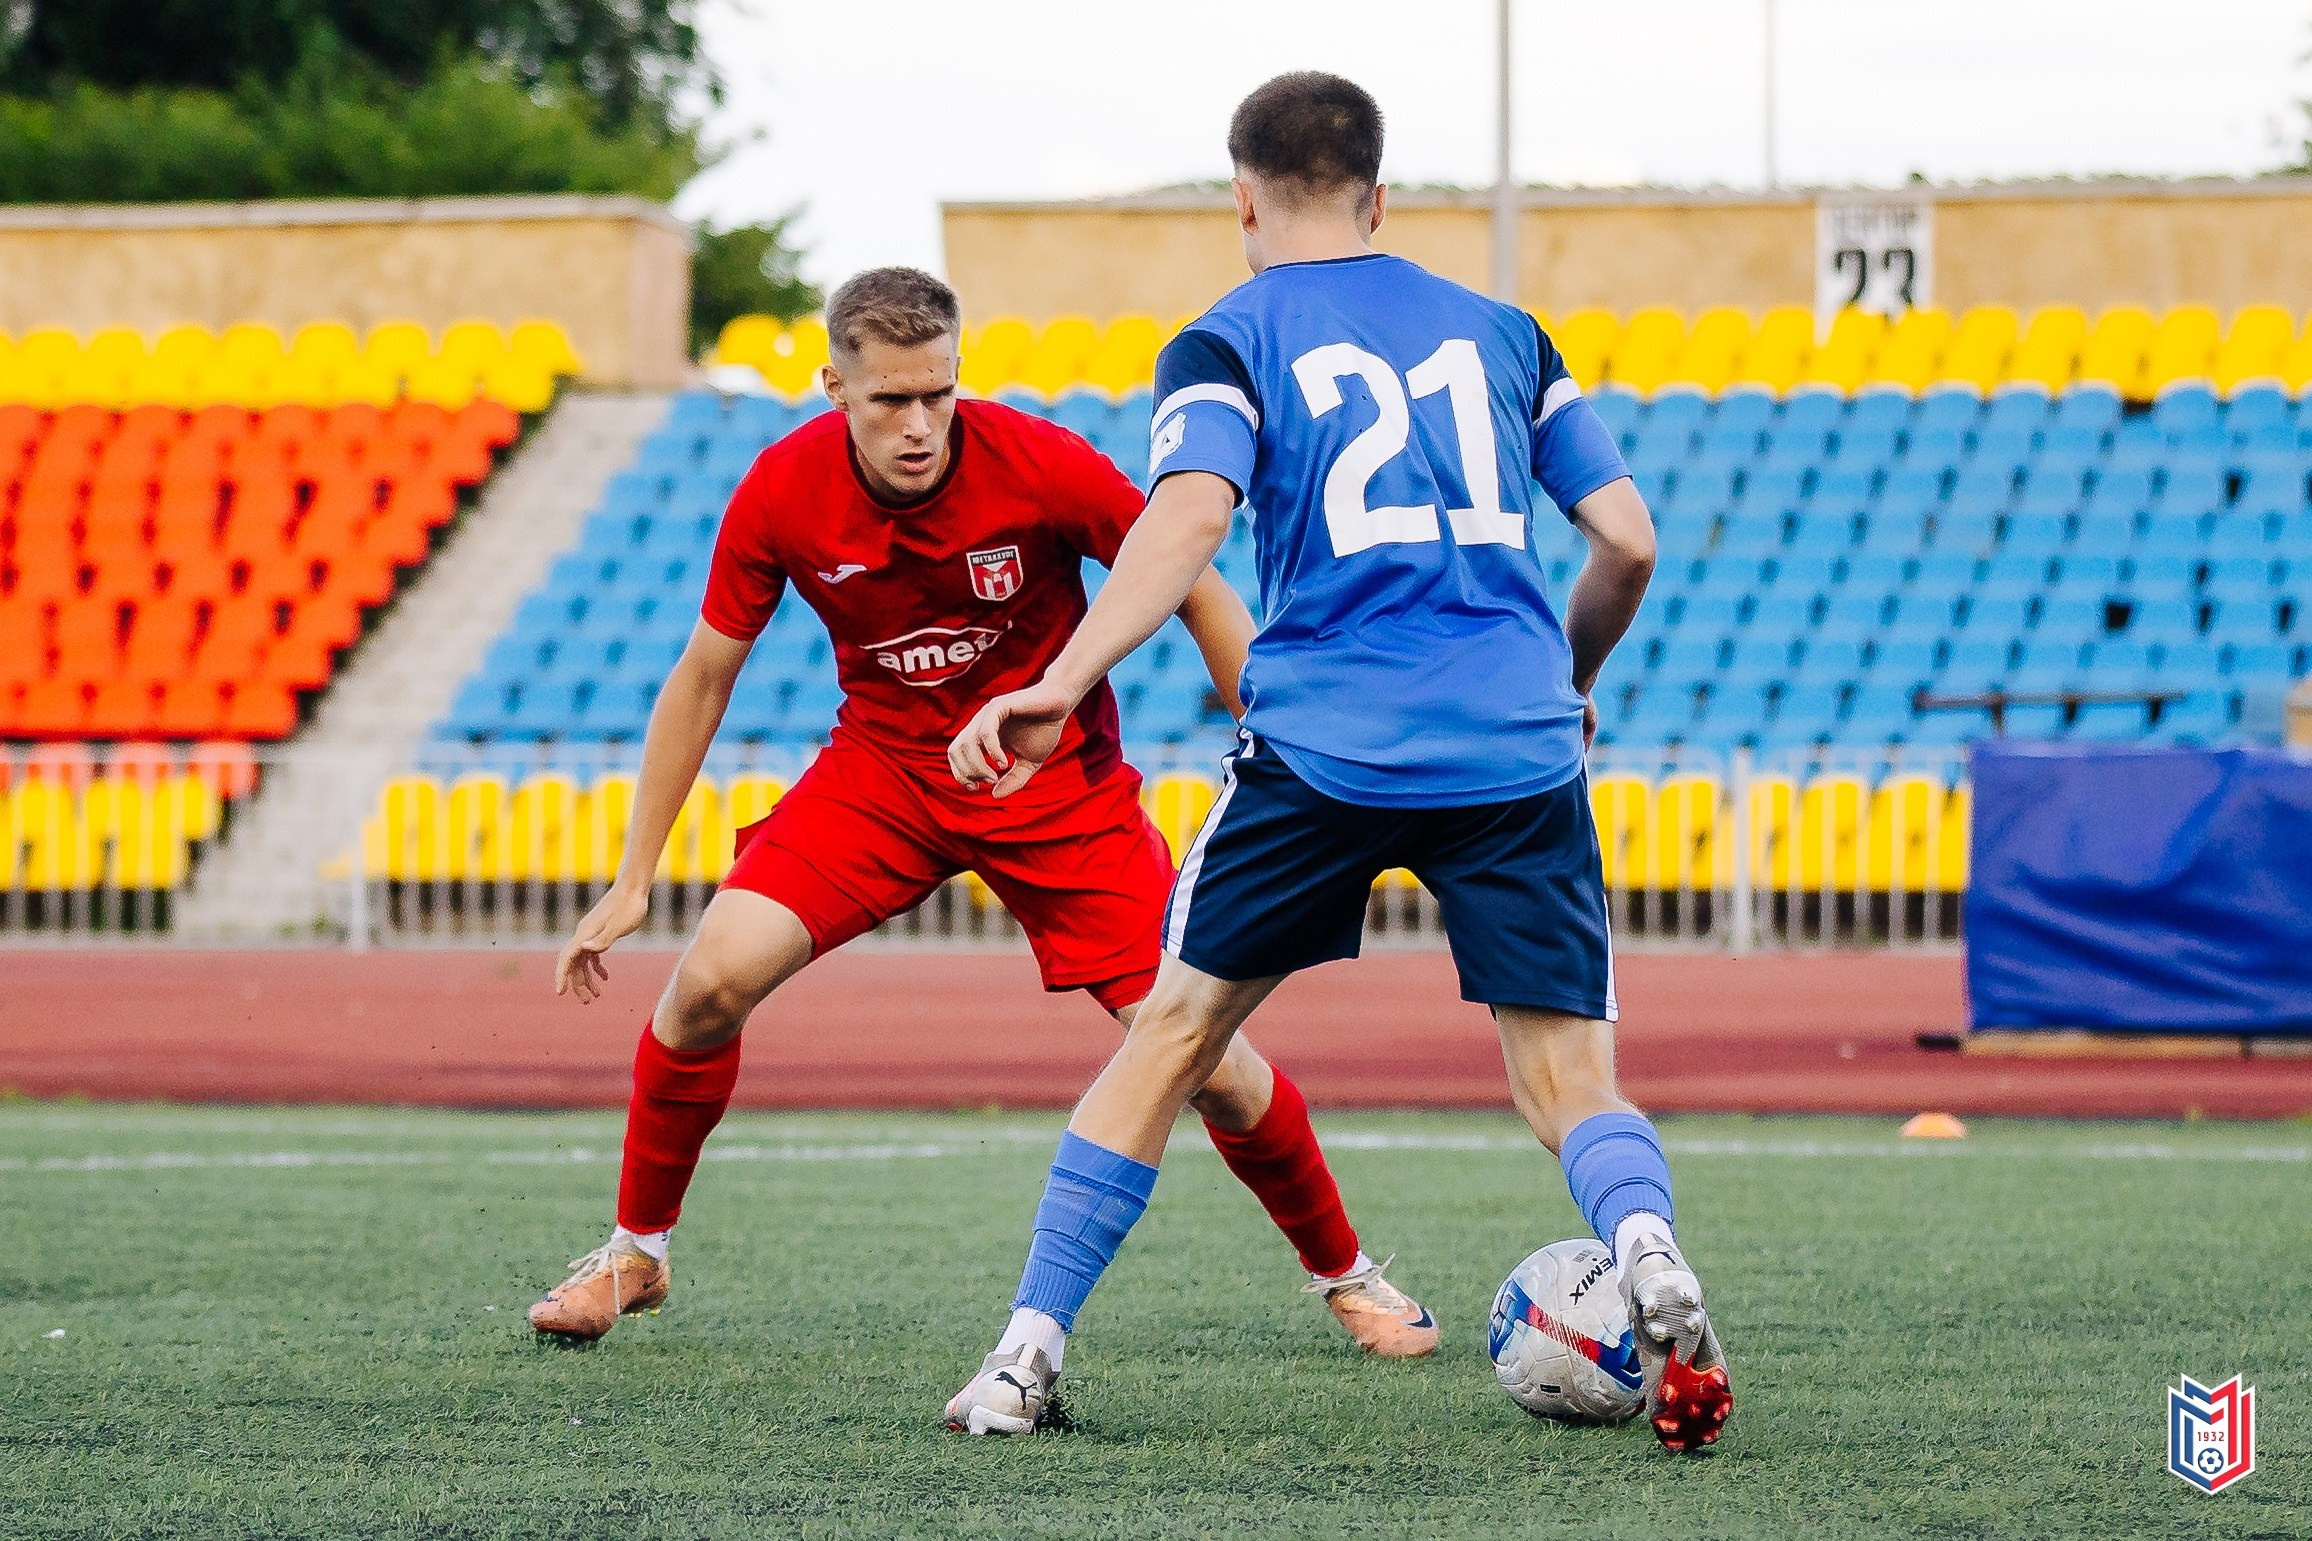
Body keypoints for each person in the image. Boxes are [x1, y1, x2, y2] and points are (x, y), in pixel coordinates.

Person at [944, 75, 1731, 1451]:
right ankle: (1648, 1243)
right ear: (1382, 195)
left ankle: (1021, 1359)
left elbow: (1188, 518)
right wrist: (1570, 684)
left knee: (1176, 1035)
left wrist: (1061, 680)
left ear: (1239, 199)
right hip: (1514, 750)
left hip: (1324, 750)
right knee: (1568, 1083)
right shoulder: (1505, 331)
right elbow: (1631, 542)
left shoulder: (1226, 337)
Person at [527, 266, 1436, 1365]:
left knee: (1206, 1053)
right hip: (884, 776)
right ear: (832, 387)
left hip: (1058, 790)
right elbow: (704, 673)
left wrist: (1280, 736)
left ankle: (1346, 1271)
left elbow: (1191, 578)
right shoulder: (779, 490)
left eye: (935, 395)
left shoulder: (1039, 461)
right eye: (887, 402)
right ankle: (636, 1249)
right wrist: (635, 876)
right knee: (708, 978)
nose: (916, 426)